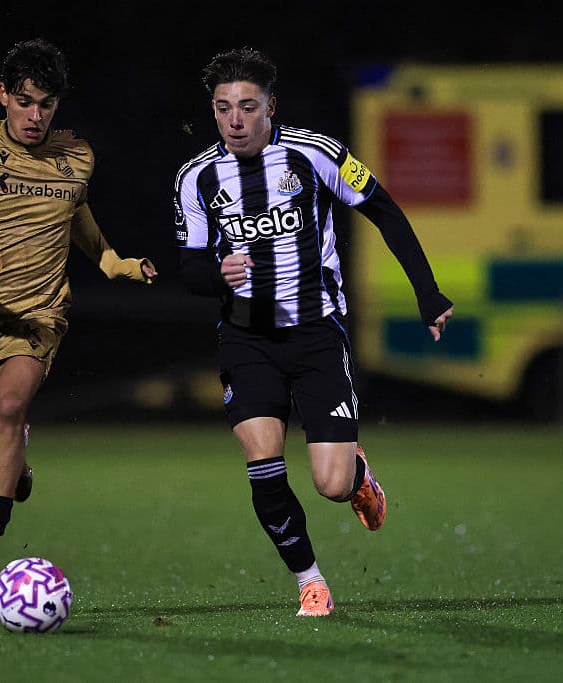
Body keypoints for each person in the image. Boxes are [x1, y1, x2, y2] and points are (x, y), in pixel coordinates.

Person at [173, 47, 453, 617]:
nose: (234, 121)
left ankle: (356, 477)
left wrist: (427, 293)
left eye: (247, 107)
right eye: (223, 108)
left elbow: (386, 211)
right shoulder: (195, 177)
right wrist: (215, 274)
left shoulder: (316, 154)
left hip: (317, 336)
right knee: (264, 462)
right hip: (246, 340)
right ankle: (310, 579)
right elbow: (190, 269)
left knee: (329, 482)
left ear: (270, 107)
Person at [0, 38, 158, 597]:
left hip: (35, 319)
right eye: (24, 102)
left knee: (13, 406)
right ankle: (13, 464)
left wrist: (112, 261)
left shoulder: (76, 156)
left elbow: (78, 216)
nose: (35, 116)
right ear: (4, 94)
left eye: (46, 104)